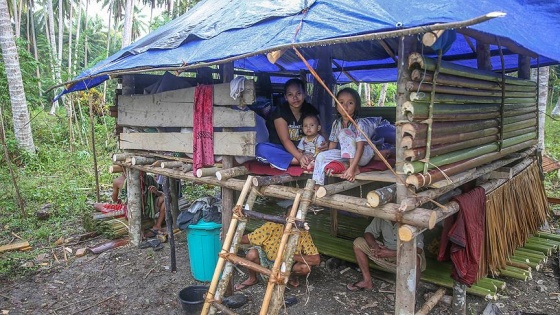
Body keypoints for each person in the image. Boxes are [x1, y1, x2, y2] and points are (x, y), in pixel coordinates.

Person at [312, 87, 377, 185]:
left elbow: (360, 147)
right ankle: (317, 186)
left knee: (344, 132)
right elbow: (333, 145)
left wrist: (352, 167)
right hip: (347, 155)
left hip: (363, 155)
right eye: (341, 102)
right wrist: (329, 159)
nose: (345, 106)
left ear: (356, 106)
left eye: (350, 103)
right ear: (337, 105)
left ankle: (353, 168)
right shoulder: (336, 123)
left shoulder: (359, 123)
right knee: (321, 156)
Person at [234, 218, 320, 291]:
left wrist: (290, 255)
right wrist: (231, 236)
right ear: (283, 218)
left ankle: (290, 276)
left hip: (288, 263)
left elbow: (316, 260)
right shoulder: (271, 226)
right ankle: (252, 278)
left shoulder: (303, 233)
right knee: (252, 254)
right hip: (266, 260)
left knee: (305, 268)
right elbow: (248, 239)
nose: (292, 224)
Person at [255, 78, 322, 170]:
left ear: (305, 94)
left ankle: (282, 161)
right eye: (290, 94)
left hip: (306, 150)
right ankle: (299, 162)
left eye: (298, 93)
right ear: (285, 97)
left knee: (321, 151)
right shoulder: (280, 111)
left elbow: (320, 131)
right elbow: (285, 140)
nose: (295, 98)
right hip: (284, 149)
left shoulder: (310, 110)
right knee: (260, 148)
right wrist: (299, 157)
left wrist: (324, 144)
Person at [346, 217, 426, 291]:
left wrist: (391, 253)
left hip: (404, 260)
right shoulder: (383, 215)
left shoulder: (411, 220)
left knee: (415, 259)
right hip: (385, 255)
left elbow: (419, 249)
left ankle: (411, 293)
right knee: (358, 243)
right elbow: (368, 232)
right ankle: (367, 281)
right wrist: (374, 246)